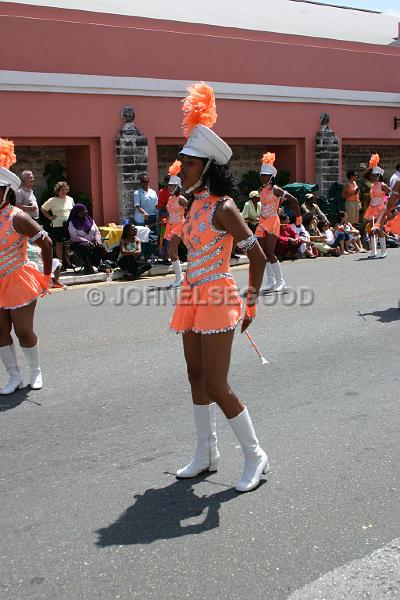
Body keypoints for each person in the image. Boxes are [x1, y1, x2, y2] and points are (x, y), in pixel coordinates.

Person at [170, 82, 268, 493]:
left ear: (207, 166)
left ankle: (255, 454)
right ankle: (206, 452)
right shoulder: (192, 205)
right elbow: (181, 251)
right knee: (195, 376)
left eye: (189, 163)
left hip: (218, 298)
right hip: (193, 296)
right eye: (182, 161)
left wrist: (250, 306)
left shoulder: (224, 207)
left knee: (216, 384)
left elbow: (258, 255)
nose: (181, 167)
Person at [0, 139, 52, 394]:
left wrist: (47, 275)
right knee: (0, 332)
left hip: (18, 278)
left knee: (22, 330)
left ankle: (35, 372)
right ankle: (13, 377)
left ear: (6, 192)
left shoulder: (17, 217)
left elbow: (47, 243)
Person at [256, 152, 300, 292]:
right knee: (264, 252)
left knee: (269, 251)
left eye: (265, 176)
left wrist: (298, 216)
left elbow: (294, 200)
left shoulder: (276, 189)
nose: (263, 178)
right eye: (262, 175)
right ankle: (270, 281)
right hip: (262, 221)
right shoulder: (261, 190)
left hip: (272, 221)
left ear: (271, 177)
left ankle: (281, 281)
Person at [164, 160, 188, 287]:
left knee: (171, 251)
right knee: (172, 252)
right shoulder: (170, 198)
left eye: (172, 186)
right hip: (171, 225)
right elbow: (169, 212)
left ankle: (179, 278)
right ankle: (180, 277)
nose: (169, 187)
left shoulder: (181, 199)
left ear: (177, 187)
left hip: (179, 225)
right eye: (169, 185)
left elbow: (191, 209)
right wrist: (166, 219)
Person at [41, 181, 74, 269]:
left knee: (68, 244)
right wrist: (50, 217)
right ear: (58, 191)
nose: (64, 192)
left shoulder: (70, 199)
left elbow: (73, 210)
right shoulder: (52, 200)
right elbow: (43, 209)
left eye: (65, 190)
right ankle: (60, 263)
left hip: (69, 225)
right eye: (62, 190)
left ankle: (69, 262)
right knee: (59, 244)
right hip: (57, 224)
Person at [364, 154, 390, 258]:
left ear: (379, 176)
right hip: (371, 208)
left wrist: (385, 203)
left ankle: (383, 251)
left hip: (380, 209)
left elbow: (391, 194)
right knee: (371, 229)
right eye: (372, 175)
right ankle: (374, 251)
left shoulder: (383, 185)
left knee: (379, 229)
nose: (373, 177)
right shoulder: (372, 185)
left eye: (375, 175)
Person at [67, 204, 104, 274]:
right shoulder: (72, 223)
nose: (86, 212)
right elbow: (74, 237)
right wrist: (87, 241)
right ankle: (88, 266)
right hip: (78, 243)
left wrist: (98, 240)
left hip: (93, 241)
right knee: (84, 246)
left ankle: (95, 264)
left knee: (101, 247)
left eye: (86, 210)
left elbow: (97, 231)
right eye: (83, 211)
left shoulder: (90, 220)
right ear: (78, 213)